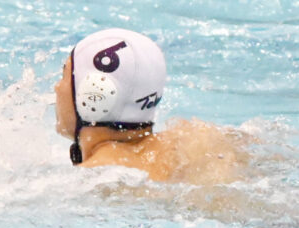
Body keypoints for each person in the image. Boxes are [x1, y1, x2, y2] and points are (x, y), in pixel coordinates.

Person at [53, 28, 251, 185]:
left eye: (64, 75)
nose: (57, 87)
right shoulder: (196, 142)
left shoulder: (93, 179)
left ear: (95, 94)